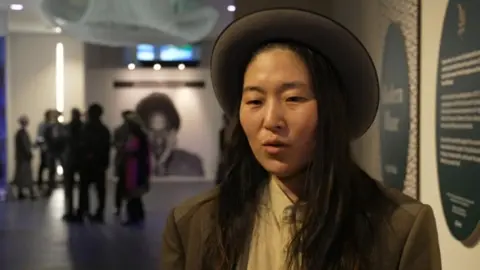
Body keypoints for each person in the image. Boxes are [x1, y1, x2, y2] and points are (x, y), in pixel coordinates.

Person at [161, 9, 441, 270]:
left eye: (293, 98)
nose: (271, 120)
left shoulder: (399, 228)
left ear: (332, 110)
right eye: (255, 101)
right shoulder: (193, 224)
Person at [135, 93, 204, 177]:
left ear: (173, 133)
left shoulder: (191, 163)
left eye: (164, 131)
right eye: (152, 132)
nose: (158, 140)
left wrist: (163, 160)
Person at [78, 103, 111, 223]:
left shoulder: (86, 129)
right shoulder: (104, 130)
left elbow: (81, 146)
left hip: (88, 165)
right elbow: (106, 147)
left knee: (84, 189)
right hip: (99, 165)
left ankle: (83, 211)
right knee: (100, 191)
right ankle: (99, 212)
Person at [121, 113, 150, 226]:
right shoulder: (140, 135)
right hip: (135, 167)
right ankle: (138, 215)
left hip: (134, 167)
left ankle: (133, 216)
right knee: (136, 194)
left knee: (133, 194)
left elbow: (131, 150)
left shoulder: (136, 136)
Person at [63, 108, 84, 222]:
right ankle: (81, 211)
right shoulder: (83, 128)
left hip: (71, 160)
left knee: (69, 188)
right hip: (80, 160)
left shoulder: (68, 127)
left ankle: (70, 211)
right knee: (82, 188)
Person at [113, 110, 133, 216]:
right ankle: (121, 207)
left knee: (123, 186)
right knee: (124, 186)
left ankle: (120, 207)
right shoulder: (129, 131)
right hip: (125, 161)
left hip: (124, 161)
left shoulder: (120, 130)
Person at [43, 110, 67, 196]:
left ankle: (66, 186)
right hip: (52, 151)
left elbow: (65, 139)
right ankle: (50, 188)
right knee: (51, 171)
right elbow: (47, 138)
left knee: (64, 169)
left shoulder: (63, 127)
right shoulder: (49, 128)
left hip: (60, 151)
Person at [13, 115, 35, 199]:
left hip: (20, 157)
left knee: (21, 175)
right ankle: (31, 192)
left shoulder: (20, 133)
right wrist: (29, 154)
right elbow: (25, 146)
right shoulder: (22, 134)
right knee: (27, 175)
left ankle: (21, 192)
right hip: (24, 158)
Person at [35, 109, 52, 191]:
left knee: (49, 167)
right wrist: (43, 146)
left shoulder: (51, 125)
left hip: (50, 149)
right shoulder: (42, 125)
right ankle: (40, 183)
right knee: (43, 166)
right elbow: (39, 137)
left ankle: (49, 183)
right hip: (45, 149)